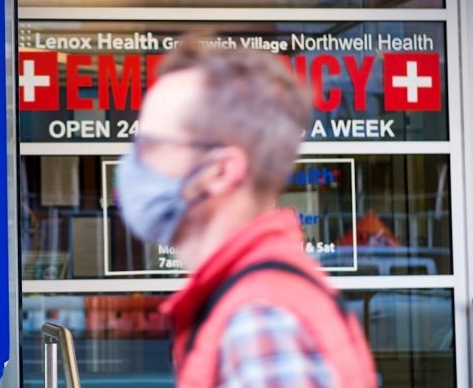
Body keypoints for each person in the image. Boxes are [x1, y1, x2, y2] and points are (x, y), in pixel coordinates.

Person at [116, 41, 377, 388]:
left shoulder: (260, 323)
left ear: (221, 171)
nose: (133, 162)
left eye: (152, 145)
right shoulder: (253, 299)